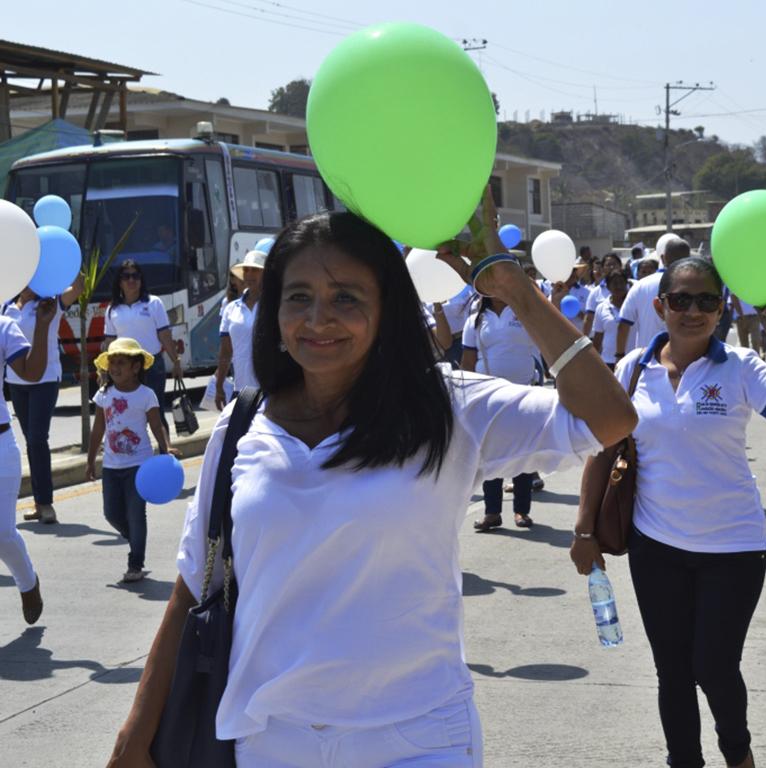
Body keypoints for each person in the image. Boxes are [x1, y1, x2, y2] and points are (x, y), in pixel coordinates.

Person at [106, 202, 636, 768]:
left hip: (419, 739)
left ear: (387, 310)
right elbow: (193, 585)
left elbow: (608, 420)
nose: (318, 319)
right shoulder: (242, 425)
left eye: (346, 298)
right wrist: (134, 735)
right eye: (299, 297)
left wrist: (514, 288)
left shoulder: (448, 407)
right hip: (268, 741)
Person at [571, 257, 766, 768]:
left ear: (722, 307)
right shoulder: (633, 368)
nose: (694, 311)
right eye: (681, 300)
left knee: (714, 665)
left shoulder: (741, 368)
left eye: (707, 300)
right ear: (660, 306)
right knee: (673, 672)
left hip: (734, 547)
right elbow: (602, 450)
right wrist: (584, 530)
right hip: (655, 545)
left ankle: (738, 754)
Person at [87, 338, 175, 583]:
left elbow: (157, 426)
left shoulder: (146, 395)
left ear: (136, 367)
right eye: (112, 363)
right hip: (111, 467)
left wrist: (165, 448)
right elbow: (97, 430)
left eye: (121, 363)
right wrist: (90, 460)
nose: (114, 368)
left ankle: (135, 562)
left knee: (137, 514)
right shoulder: (104, 395)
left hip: (140, 466)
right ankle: (135, 537)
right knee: (111, 514)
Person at [4, 275, 83, 524]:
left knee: (38, 438)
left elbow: (78, 288)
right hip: (16, 382)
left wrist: (70, 259)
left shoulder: (50, 303)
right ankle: (38, 503)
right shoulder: (7, 305)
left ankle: (47, 503)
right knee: (30, 440)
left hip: (45, 380)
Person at [462, 291, 542, 530]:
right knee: (491, 455)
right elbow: (468, 358)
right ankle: (492, 512)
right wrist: (466, 396)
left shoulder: (524, 312)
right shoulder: (475, 319)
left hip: (522, 394)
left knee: (522, 453)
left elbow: (545, 344)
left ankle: (521, 510)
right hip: (488, 397)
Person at [0, 298, 56, 625]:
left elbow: (32, 373)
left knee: (3, 535)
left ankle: (28, 582)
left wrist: (44, 325)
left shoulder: (4, 325)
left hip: (1, 442)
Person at [103, 260, 183, 434]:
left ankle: (165, 454)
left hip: (152, 366)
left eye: (135, 276)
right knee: (128, 415)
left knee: (157, 412)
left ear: (141, 280)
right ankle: (137, 457)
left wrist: (176, 362)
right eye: (126, 277)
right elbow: (109, 342)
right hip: (124, 369)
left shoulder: (154, 303)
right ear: (120, 282)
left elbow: (165, 336)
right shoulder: (112, 309)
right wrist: (104, 370)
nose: (131, 280)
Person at [616, 237, 691, 361]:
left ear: (662, 258)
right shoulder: (694, 287)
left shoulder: (641, 285)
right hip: (685, 362)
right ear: (688, 259)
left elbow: (623, 324)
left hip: (646, 362)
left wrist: (619, 356)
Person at [216, 251, 265, 409]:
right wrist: (219, 386)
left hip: (271, 389)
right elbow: (225, 351)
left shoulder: (275, 306)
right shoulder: (231, 309)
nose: (249, 274)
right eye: (246, 270)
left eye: (255, 270)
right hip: (241, 390)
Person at [590, 269, 630, 368]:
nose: (619, 286)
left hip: (631, 360)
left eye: (621, 282)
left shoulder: (633, 305)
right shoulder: (601, 308)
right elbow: (598, 337)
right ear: (608, 286)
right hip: (608, 361)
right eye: (615, 283)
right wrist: (594, 362)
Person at [582, 253, 625, 337]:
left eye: (614, 264)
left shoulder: (632, 286)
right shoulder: (595, 292)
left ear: (620, 266)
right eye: (608, 265)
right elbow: (589, 318)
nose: (612, 267)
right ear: (602, 268)